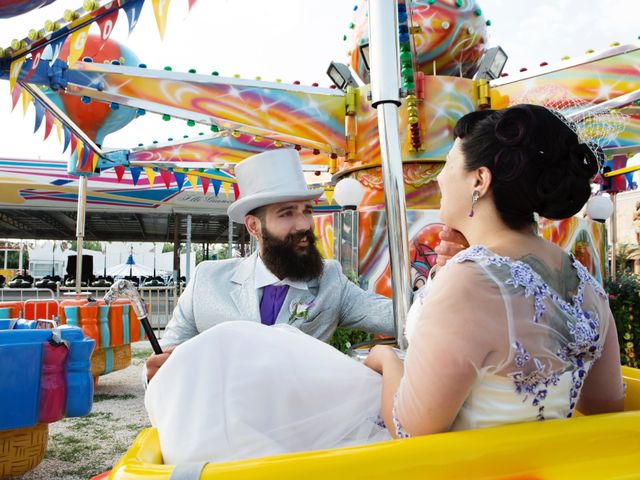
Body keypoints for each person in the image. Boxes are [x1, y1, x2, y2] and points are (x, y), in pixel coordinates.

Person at [146, 104, 624, 465]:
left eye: (447, 166)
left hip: (453, 466)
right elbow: (604, 405)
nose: (438, 179)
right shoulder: (583, 281)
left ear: (478, 180)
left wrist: (386, 357)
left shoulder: (468, 282)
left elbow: (411, 429)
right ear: (254, 225)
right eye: (285, 212)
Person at [145, 149, 398, 381]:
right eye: (287, 213)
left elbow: (399, 317)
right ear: (254, 226)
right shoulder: (207, 281)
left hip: (302, 426)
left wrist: (437, 280)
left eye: (306, 211)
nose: (304, 225)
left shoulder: (330, 280)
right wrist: (157, 376)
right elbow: (162, 364)